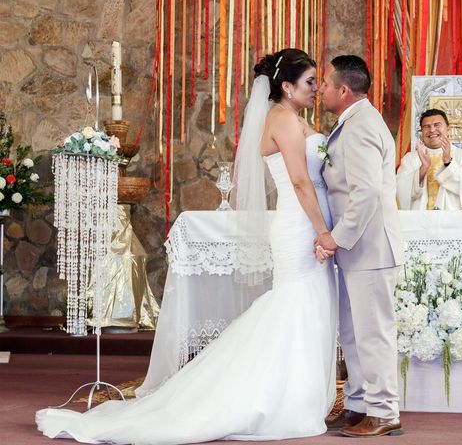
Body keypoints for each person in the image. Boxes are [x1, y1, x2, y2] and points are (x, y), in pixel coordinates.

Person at [36, 48, 338, 444]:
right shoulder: (282, 120)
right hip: (301, 226)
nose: (317, 89)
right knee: (295, 305)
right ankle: (273, 399)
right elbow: (299, 182)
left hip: (303, 222)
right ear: (286, 86)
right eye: (310, 82)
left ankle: (294, 394)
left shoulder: (291, 118)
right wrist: (322, 232)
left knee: (302, 306)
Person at [315, 55, 405, 438]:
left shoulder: (362, 126)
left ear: (343, 90)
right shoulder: (353, 122)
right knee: (352, 333)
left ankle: (384, 412)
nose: (320, 89)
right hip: (358, 251)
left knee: (373, 333)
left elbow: (366, 194)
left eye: (325, 83)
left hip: (371, 248)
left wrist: (337, 238)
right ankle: (356, 405)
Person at [396, 108, 462, 210]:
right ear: (421, 132)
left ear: (448, 129)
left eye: (437, 125)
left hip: (452, 221)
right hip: (419, 221)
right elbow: (399, 191)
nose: (432, 130)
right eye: (426, 126)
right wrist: (423, 169)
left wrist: (448, 162)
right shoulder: (410, 159)